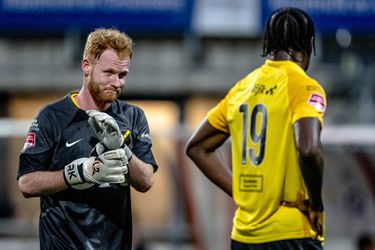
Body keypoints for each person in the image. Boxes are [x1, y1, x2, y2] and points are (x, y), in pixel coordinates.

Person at [186, 7, 326, 250]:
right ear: (309, 45)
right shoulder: (305, 87)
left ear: (268, 44)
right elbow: (309, 150)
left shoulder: (242, 88)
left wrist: (242, 192)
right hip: (291, 232)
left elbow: (197, 147)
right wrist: (316, 204)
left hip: (244, 236)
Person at [17, 28, 158, 250]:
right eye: (109, 73)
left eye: (122, 75)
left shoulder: (133, 116)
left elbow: (146, 181)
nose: (117, 82)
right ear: (86, 66)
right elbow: (26, 183)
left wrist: (121, 149)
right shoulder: (52, 116)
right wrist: (78, 173)